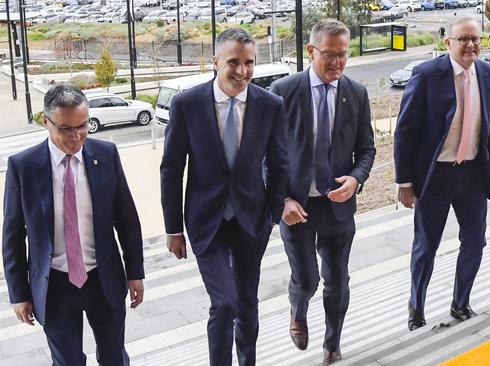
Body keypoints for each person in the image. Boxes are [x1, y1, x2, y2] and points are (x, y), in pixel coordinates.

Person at [160, 28, 289, 366]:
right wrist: (173, 228)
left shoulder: (270, 105)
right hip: (207, 222)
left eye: (249, 62)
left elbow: (280, 163)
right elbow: (171, 169)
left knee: (247, 304)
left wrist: (272, 214)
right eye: (234, 62)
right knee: (225, 303)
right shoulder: (186, 104)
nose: (243, 71)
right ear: (215, 61)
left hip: (252, 221)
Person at [2, 84, 145, 366]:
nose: (76, 135)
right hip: (54, 285)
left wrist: (135, 272)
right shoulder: (23, 167)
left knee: (115, 357)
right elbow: (13, 236)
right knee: (67, 361)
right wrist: (18, 294)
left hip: (103, 278)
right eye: (66, 128)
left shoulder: (106, 155)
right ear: (46, 121)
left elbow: (127, 219)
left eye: (82, 126)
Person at [270, 19, 376, 365]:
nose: (337, 63)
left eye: (343, 55)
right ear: (311, 51)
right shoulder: (283, 92)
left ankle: (332, 344)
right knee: (307, 280)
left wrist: (356, 180)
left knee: (338, 282)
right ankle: (297, 310)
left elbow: (367, 150)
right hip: (296, 208)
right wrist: (281, 199)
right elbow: (263, 154)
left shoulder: (356, 94)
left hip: (338, 208)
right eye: (329, 55)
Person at [393, 16, 490, 331]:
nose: (470, 45)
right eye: (463, 39)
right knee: (426, 246)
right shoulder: (427, 75)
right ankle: (416, 307)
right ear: (448, 43)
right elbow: (405, 131)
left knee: (475, 241)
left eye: (475, 39)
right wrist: (405, 182)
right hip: (435, 177)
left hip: (472, 175)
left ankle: (461, 303)